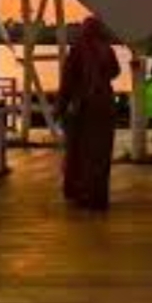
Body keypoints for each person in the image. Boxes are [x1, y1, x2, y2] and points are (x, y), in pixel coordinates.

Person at [58, 15, 120, 209]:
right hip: (105, 107)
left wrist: (59, 107)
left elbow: (67, 82)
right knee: (100, 153)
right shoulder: (107, 50)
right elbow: (115, 72)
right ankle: (98, 196)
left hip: (82, 109)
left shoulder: (77, 50)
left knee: (80, 151)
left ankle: (81, 192)